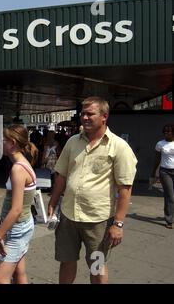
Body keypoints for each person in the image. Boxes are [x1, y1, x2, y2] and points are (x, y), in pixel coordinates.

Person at [47, 96, 137, 284]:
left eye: (90, 114)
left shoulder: (119, 147)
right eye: (83, 114)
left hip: (98, 220)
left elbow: (125, 189)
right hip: (68, 216)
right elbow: (61, 175)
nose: (85, 117)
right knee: (67, 260)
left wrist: (118, 224)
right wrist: (53, 202)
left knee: (97, 265)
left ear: (104, 116)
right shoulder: (73, 142)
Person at [0, 124, 36, 284]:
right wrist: (3, 218)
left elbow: (16, 209)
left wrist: (0, 234)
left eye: (2, 140)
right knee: (19, 273)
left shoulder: (17, 169)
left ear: (12, 143)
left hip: (16, 230)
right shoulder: (24, 163)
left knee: (0, 279)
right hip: (23, 225)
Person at [150, 124, 174, 229]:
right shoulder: (160, 144)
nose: (167, 133)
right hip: (165, 172)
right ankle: (169, 219)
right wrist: (153, 172)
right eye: (165, 132)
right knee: (170, 196)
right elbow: (157, 159)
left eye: (169, 131)